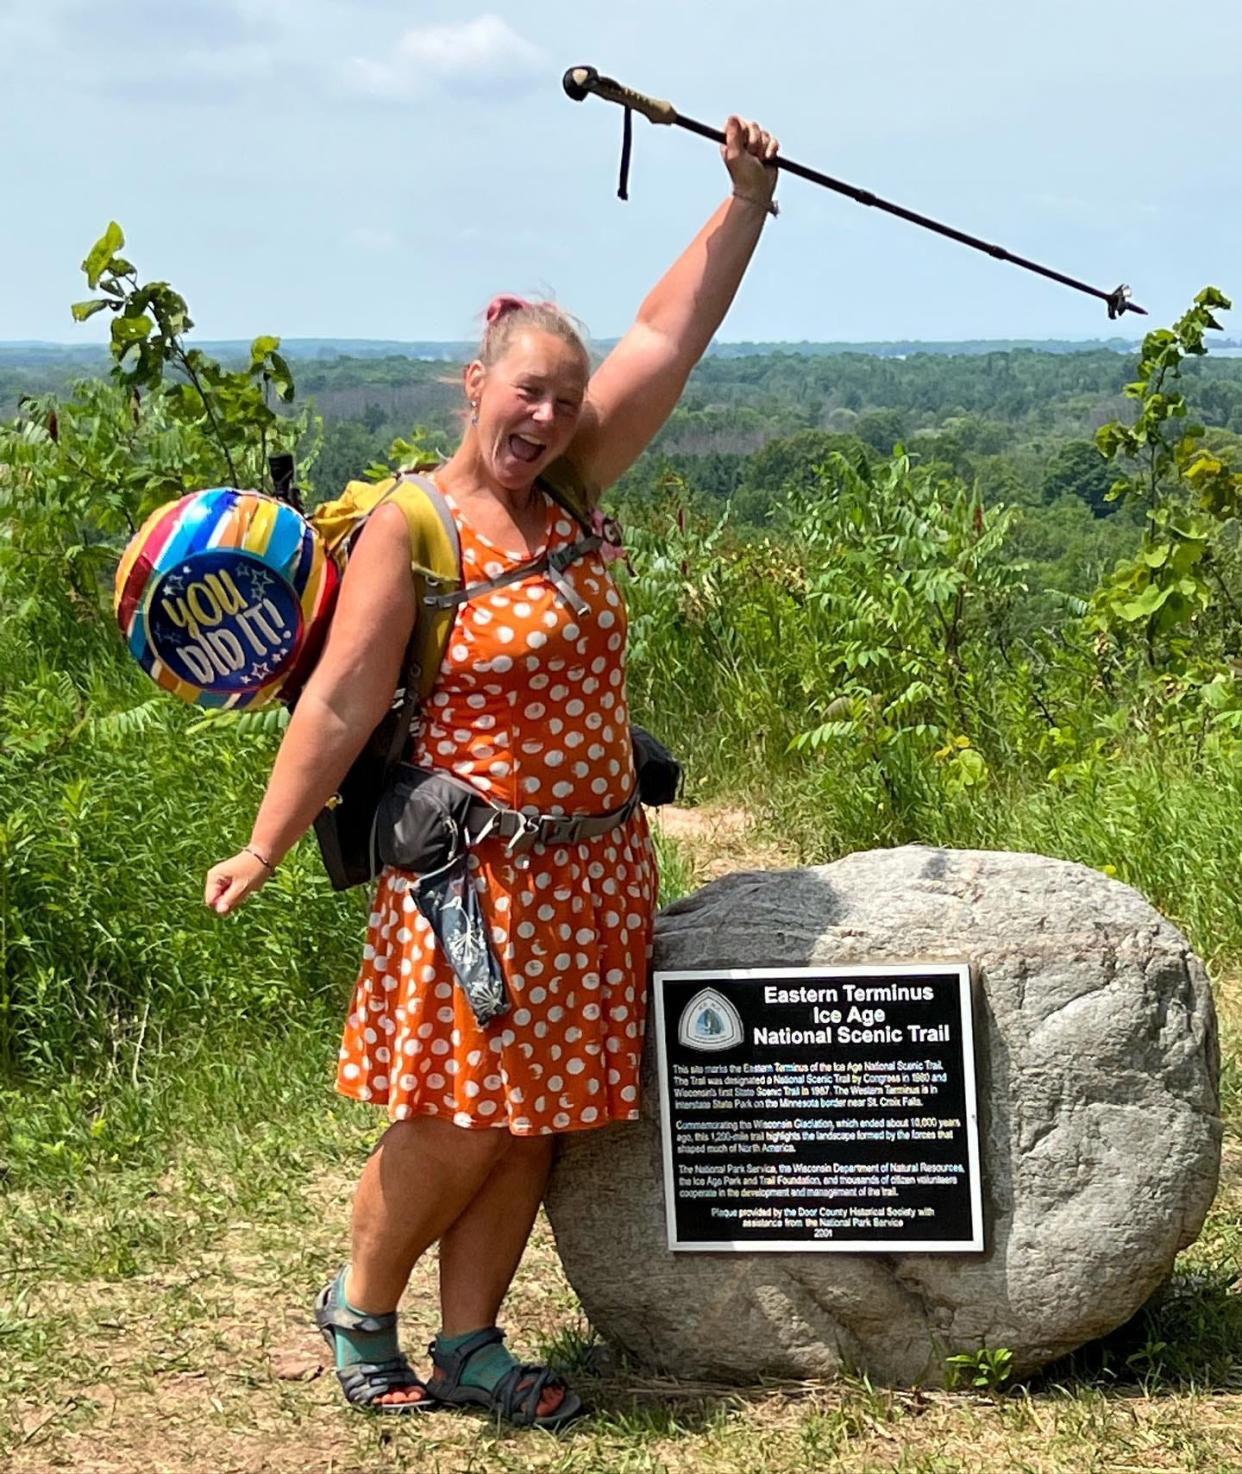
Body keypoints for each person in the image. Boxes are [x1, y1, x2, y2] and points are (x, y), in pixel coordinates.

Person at [203, 114, 780, 1428]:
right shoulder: (412, 526)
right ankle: (361, 1306)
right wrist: (267, 838)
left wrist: (741, 201)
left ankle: (469, 1341)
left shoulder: (574, 488)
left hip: (594, 871)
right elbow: (344, 696)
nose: (547, 413)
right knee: (460, 1119)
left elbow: (666, 335)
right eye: (526, 390)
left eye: (564, 399)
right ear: (475, 384)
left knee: (538, 1121)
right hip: (474, 881)